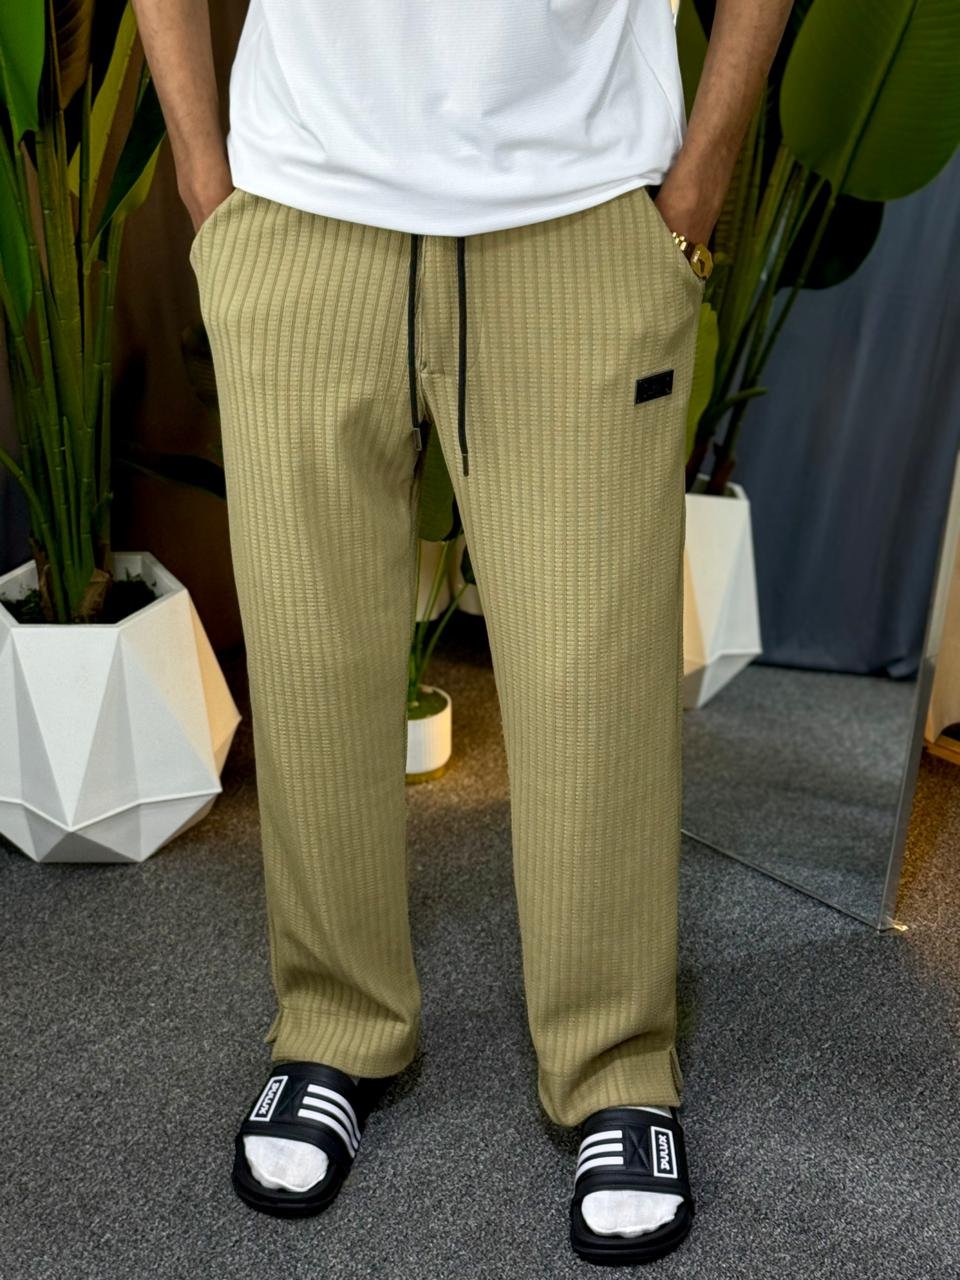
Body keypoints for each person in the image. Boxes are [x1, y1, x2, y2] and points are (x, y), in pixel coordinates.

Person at [133, 0, 793, 1264]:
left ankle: (615, 1064)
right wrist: (204, 178)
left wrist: (698, 182)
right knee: (312, 664)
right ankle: (333, 1023)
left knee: (594, 682)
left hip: (580, 210)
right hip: (302, 206)